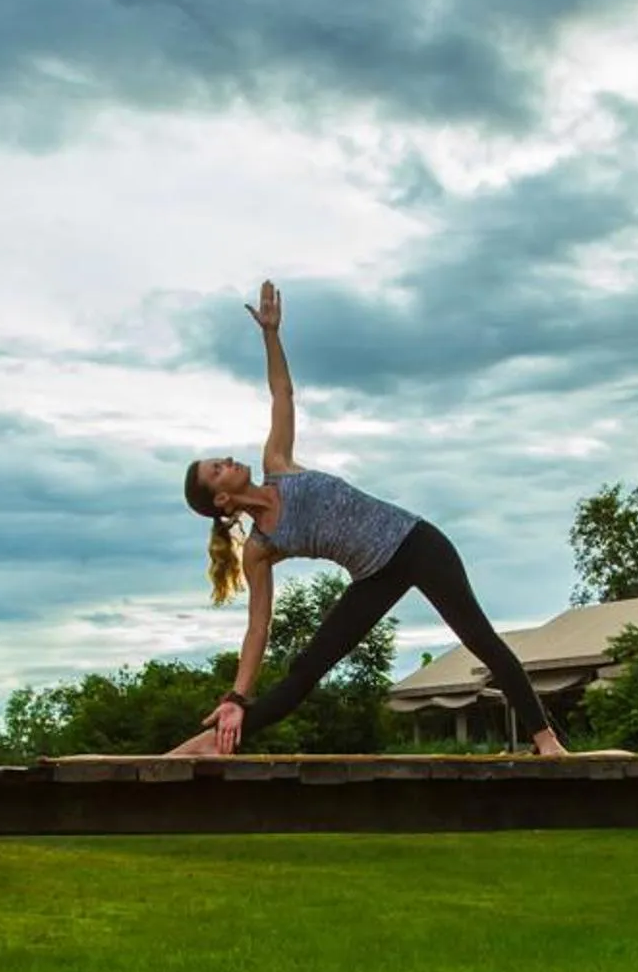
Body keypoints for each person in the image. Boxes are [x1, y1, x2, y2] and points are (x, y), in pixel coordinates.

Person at [170, 280, 568, 758]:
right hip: (374, 575)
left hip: (418, 544)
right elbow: (259, 627)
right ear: (220, 500)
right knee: (304, 671)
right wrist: (237, 696)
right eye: (219, 469)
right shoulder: (259, 547)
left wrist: (271, 336)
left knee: (479, 637)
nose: (229, 460)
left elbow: (282, 392)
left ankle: (547, 743)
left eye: (223, 459)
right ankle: (217, 741)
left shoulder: (279, 465)